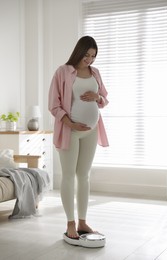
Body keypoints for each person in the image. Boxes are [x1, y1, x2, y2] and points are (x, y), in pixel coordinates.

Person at [48, 36, 109, 239]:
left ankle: (83, 222)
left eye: (93, 56)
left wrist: (97, 97)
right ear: (79, 51)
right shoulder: (63, 72)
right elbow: (53, 104)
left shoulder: (96, 73)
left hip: (91, 131)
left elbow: (104, 99)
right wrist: (70, 123)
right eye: (87, 55)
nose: (90, 60)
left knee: (84, 176)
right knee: (68, 176)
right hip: (70, 131)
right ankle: (70, 224)